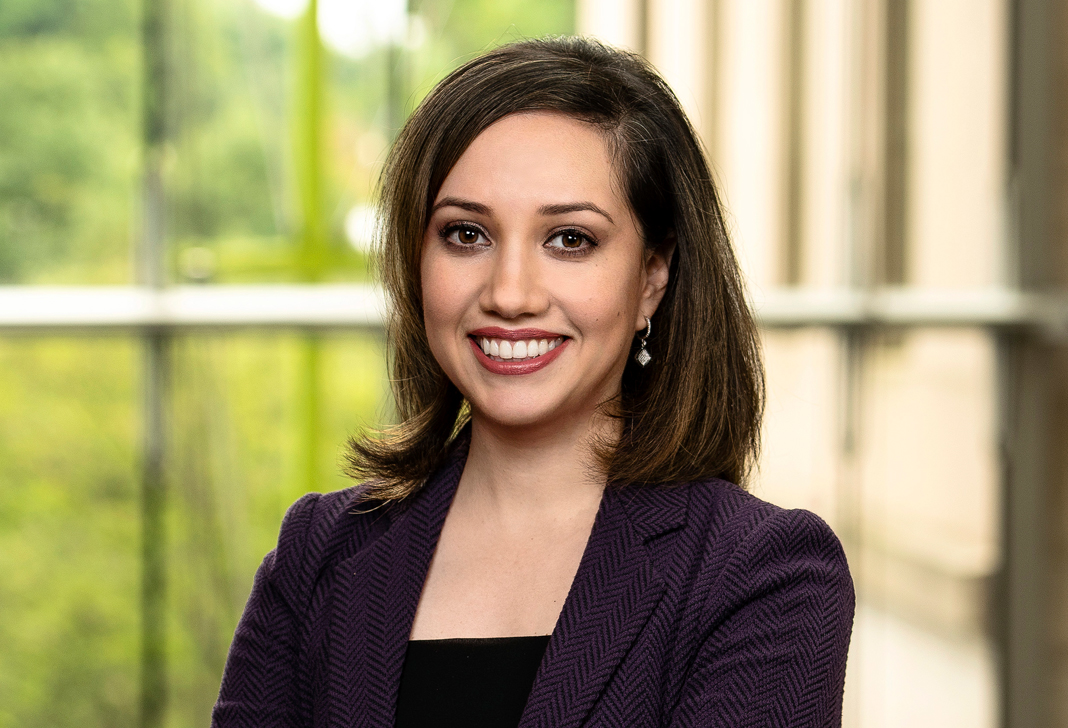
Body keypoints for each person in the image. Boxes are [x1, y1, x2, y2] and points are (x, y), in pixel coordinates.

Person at [212, 37, 854, 728]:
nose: (510, 294)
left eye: (570, 239)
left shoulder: (763, 577)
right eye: (466, 234)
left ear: (652, 276)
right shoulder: (318, 556)